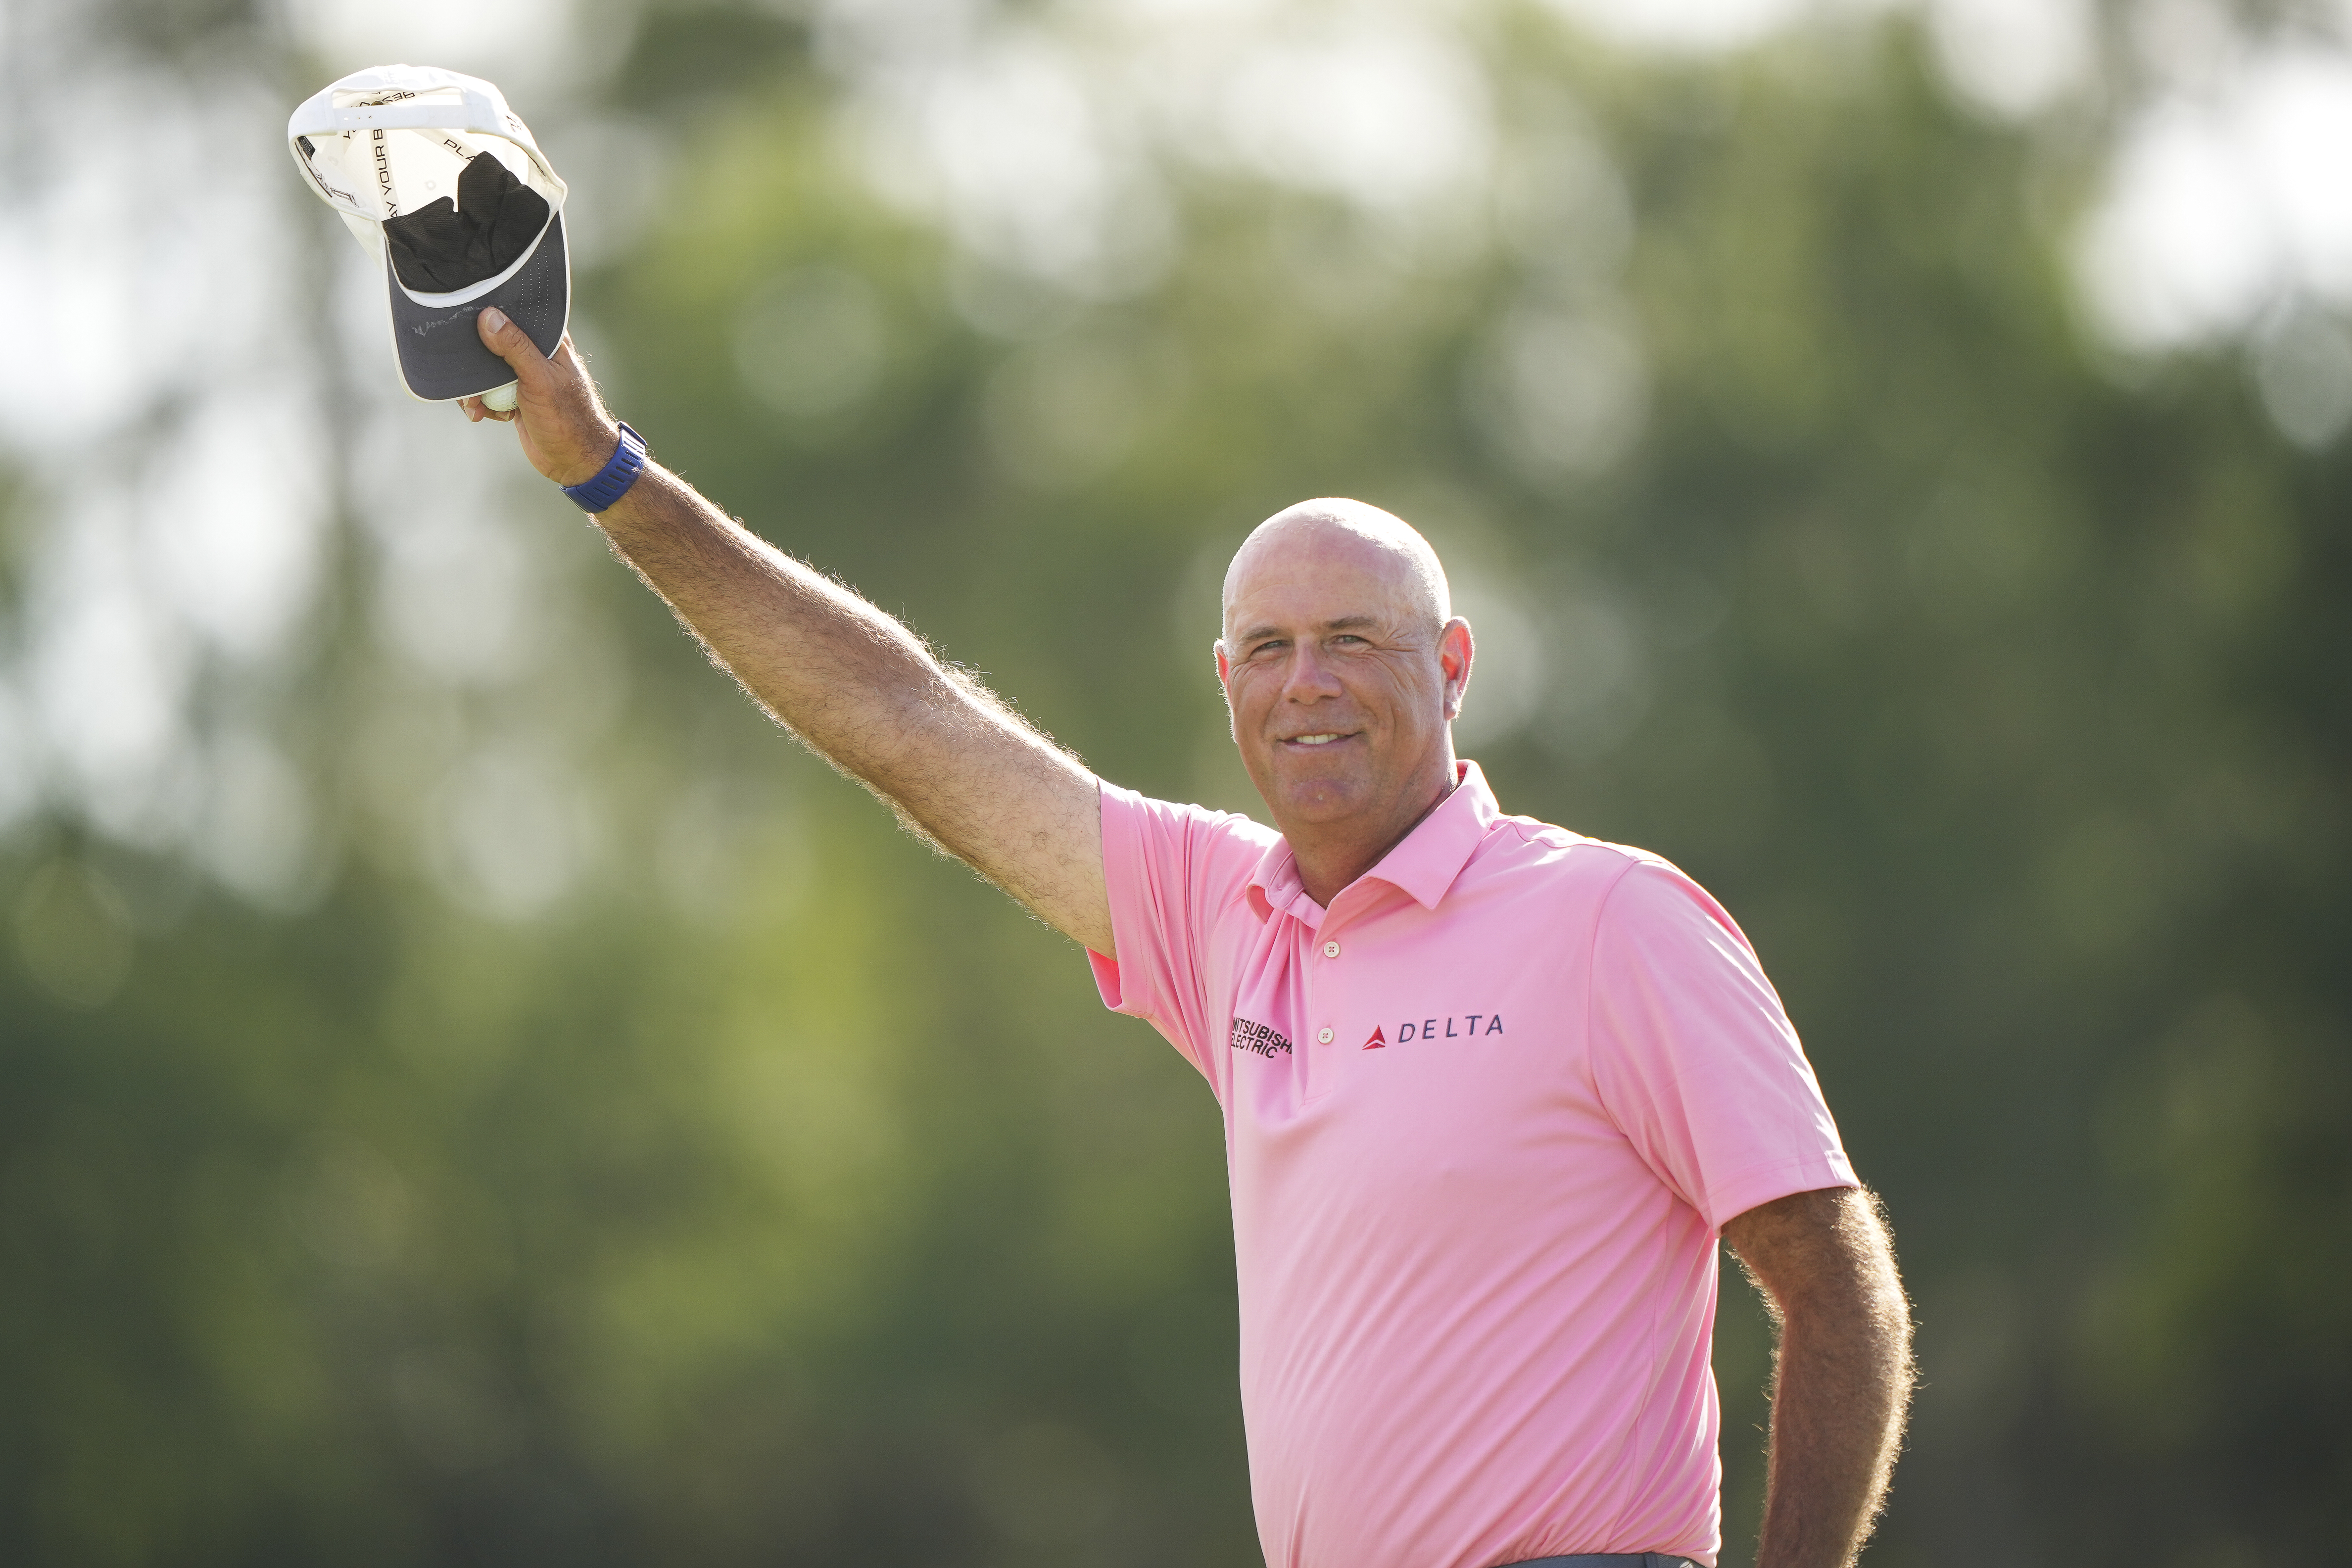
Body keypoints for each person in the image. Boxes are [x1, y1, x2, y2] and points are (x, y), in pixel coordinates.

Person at [458, 307, 1915, 1568]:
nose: (1309, 686)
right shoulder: (1223, 918)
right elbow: (907, 720)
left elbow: (1832, 1280)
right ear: (1226, 681)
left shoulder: (1610, 918)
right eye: (1270, 651)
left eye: (1355, 637)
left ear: (1451, 664)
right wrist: (609, 478)